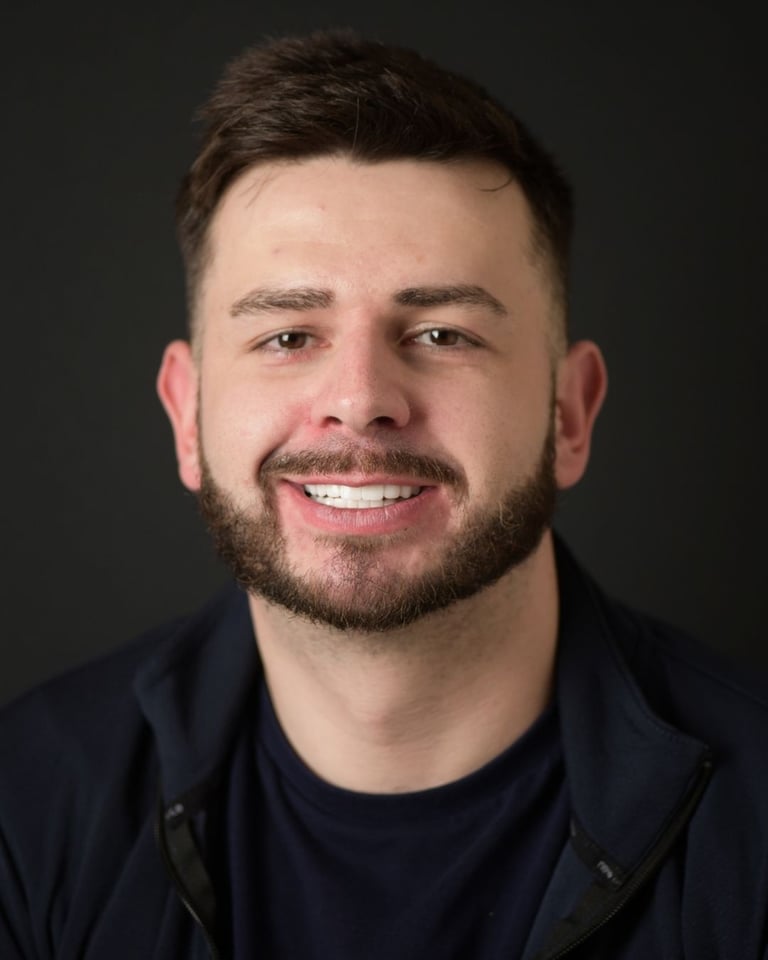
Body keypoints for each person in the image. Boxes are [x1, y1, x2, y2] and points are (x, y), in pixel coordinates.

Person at [1, 30, 766, 960]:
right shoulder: (27, 800)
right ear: (186, 414)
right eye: (288, 336)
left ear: (569, 414)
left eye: (443, 334)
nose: (362, 400)